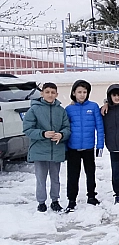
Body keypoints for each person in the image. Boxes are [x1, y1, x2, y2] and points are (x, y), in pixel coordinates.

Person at [23, 82, 71, 213]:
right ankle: (41, 202)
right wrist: (42, 134)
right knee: (41, 178)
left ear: (57, 94)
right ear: (42, 93)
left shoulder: (61, 110)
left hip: (56, 150)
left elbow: (67, 128)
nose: (50, 95)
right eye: (47, 92)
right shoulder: (34, 110)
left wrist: (61, 135)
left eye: (53, 92)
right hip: (39, 150)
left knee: (55, 178)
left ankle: (55, 200)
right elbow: (27, 129)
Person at [64, 79, 105, 211]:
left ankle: (91, 196)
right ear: (74, 93)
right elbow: (65, 129)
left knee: (90, 173)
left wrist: (100, 145)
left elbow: (100, 127)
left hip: (88, 147)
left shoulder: (93, 107)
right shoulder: (69, 109)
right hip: (73, 148)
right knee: (73, 175)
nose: (82, 94)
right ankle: (71, 200)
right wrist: (65, 148)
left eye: (85, 92)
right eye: (79, 92)